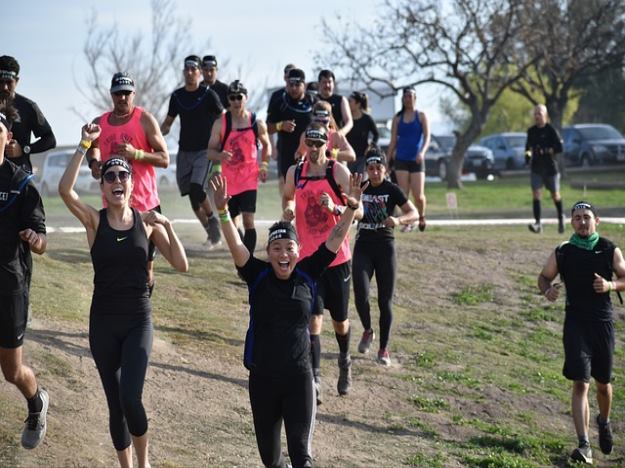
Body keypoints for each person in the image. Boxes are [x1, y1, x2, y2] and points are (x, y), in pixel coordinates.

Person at [211, 170, 365, 468]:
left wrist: (350, 208)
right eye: (277, 249)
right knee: (272, 462)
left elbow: (335, 239)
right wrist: (222, 211)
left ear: (298, 251)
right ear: (268, 253)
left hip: (299, 378)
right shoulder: (258, 276)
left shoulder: (307, 274)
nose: (283, 254)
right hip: (263, 379)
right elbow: (236, 246)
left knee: (301, 455)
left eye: (289, 248)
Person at [59, 124, 188, 468]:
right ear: (102, 185)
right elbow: (64, 190)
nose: (117, 180)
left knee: (131, 397)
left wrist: (169, 227)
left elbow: (181, 264)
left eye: (123, 175)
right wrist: (85, 144)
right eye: (110, 176)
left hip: (137, 320)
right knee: (115, 403)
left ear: (132, 184)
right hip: (102, 322)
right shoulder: (94, 222)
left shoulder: (146, 224)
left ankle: (143, 462)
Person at [538, 201, 624, 465]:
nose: (582, 222)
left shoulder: (609, 249)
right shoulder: (563, 251)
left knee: (603, 385)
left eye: (586, 217)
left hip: (602, 324)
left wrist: (610, 284)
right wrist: (547, 290)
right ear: (571, 222)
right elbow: (543, 277)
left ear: (596, 220)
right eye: (577, 218)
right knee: (580, 382)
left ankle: (604, 421)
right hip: (575, 323)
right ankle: (584, 444)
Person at [283, 124, 360, 402]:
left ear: (327, 144)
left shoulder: (337, 171)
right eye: (309, 144)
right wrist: (289, 211)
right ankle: (314, 378)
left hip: (337, 257)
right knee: (313, 319)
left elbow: (358, 210)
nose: (314, 150)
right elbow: (288, 198)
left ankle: (344, 360)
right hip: (307, 259)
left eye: (318, 144)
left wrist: (336, 208)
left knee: (340, 321)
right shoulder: (296, 172)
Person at [86, 72, 169, 295]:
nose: (122, 98)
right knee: (117, 265)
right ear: (111, 95)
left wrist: (137, 154)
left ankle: (142, 312)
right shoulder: (99, 123)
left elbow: (164, 158)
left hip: (145, 205)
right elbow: (91, 147)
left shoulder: (144, 120)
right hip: (114, 207)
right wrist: (94, 163)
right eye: (118, 94)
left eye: (126, 93)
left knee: (145, 268)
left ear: (134, 94)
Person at [0, 106, 49, 450]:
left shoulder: (20, 183)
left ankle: (36, 403)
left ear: (7, 139)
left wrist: (35, 238)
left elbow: (43, 240)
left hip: (9, 287)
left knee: (12, 372)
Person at [353, 147, 417, 366]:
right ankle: (368, 330)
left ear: (385, 168)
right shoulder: (361, 187)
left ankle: (383, 349)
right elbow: (349, 205)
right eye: (370, 168)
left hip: (385, 247)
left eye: (379, 168)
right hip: (363, 246)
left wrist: (398, 221)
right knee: (360, 293)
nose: (375, 172)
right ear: (367, 170)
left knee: (384, 301)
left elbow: (414, 213)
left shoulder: (392, 189)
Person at [161, 56, 224, 248]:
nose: (190, 72)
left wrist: (221, 142)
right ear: (183, 72)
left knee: (198, 188)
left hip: (204, 152)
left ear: (199, 72)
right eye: (186, 69)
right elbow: (167, 124)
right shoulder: (177, 96)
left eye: (193, 69)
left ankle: (213, 220)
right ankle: (212, 235)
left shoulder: (208, 94)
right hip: (184, 152)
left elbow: (223, 119)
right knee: (192, 198)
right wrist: (151, 136)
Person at [207, 80, 271, 253]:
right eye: (232, 97)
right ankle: (241, 253)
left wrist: (264, 165)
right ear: (228, 100)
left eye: (239, 97)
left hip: (249, 178)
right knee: (232, 223)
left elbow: (267, 145)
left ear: (246, 98)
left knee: (248, 220)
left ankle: (247, 260)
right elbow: (209, 153)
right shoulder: (221, 123)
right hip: (229, 182)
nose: (236, 101)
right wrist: (220, 155)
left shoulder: (256, 122)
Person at [266, 68, 316, 204]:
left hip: (311, 151)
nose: (293, 88)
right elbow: (267, 128)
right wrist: (280, 125)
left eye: (297, 85)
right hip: (287, 151)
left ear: (304, 85)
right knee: (286, 184)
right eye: (290, 85)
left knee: (309, 184)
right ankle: (288, 216)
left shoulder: (314, 102)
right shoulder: (279, 102)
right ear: (286, 84)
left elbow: (329, 124)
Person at [0, 55, 56, 173]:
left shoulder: (28, 106)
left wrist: (24, 149)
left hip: (18, 178)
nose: (5, 87)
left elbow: (50, 140)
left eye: (9, 82)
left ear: (17, 81)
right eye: (1, 82)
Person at [386, 86, 430, 232]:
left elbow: (427, 137)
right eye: (405, 96)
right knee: (404, 194)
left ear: (415, 98)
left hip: (417, 159)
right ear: (402, 99)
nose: (408, 99)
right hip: (401, 159)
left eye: (411, 96)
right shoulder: (398, 118)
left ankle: (421, 216)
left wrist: (422, 152)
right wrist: (386, 161)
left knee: (418, 195)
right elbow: (393, 141)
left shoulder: (421, 116)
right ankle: (408, 222)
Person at [525, 104, 565, 234]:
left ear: (545, 116)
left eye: (539, 114)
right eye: (535, 114)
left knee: (555, 195)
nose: (537, 116)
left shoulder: (551, 130)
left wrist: (548, 150)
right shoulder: (531, 131)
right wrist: (527, 158)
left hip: (550, 168)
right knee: (536, 194)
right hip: (536, 167)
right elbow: (527, 148)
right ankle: (538, 224)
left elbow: (560, 147)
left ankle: (560, 218)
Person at [346, 91, 379, 174]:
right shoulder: (345, 118)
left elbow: (376, 134)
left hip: (362, 157)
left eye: (350, 101)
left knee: (362, 182)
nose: (347, 103)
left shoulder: (367, 118)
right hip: (348, 157)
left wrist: (371, 146)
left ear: (358, 104)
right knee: (349, 183)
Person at [317, 69, 353, 136]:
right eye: (324, 82)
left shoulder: (341, 100)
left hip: (335, 140)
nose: (327, 85)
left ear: (333, 83)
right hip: (317, 139)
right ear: (319, 83)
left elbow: (349, 122)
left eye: (329, 82)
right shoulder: (314, 99)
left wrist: (341, 133)